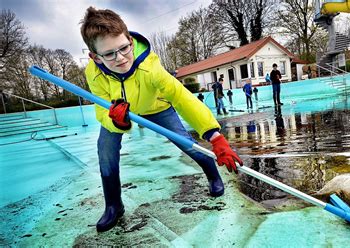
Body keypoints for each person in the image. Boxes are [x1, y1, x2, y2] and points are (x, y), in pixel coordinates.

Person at [80, 7, 242, 232]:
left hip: (157, 107)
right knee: (105, 151)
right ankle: (113, 205)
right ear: (95, 56)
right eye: (109, 54)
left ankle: (213, 175)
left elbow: (182, 97)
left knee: (186, 143)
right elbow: (100, 109)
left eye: (124, 48)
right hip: (118, 113)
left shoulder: (150, 67)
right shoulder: (93, 73)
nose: (120, 58)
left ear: (129, 39)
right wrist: (117, 121)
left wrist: (214, 135)